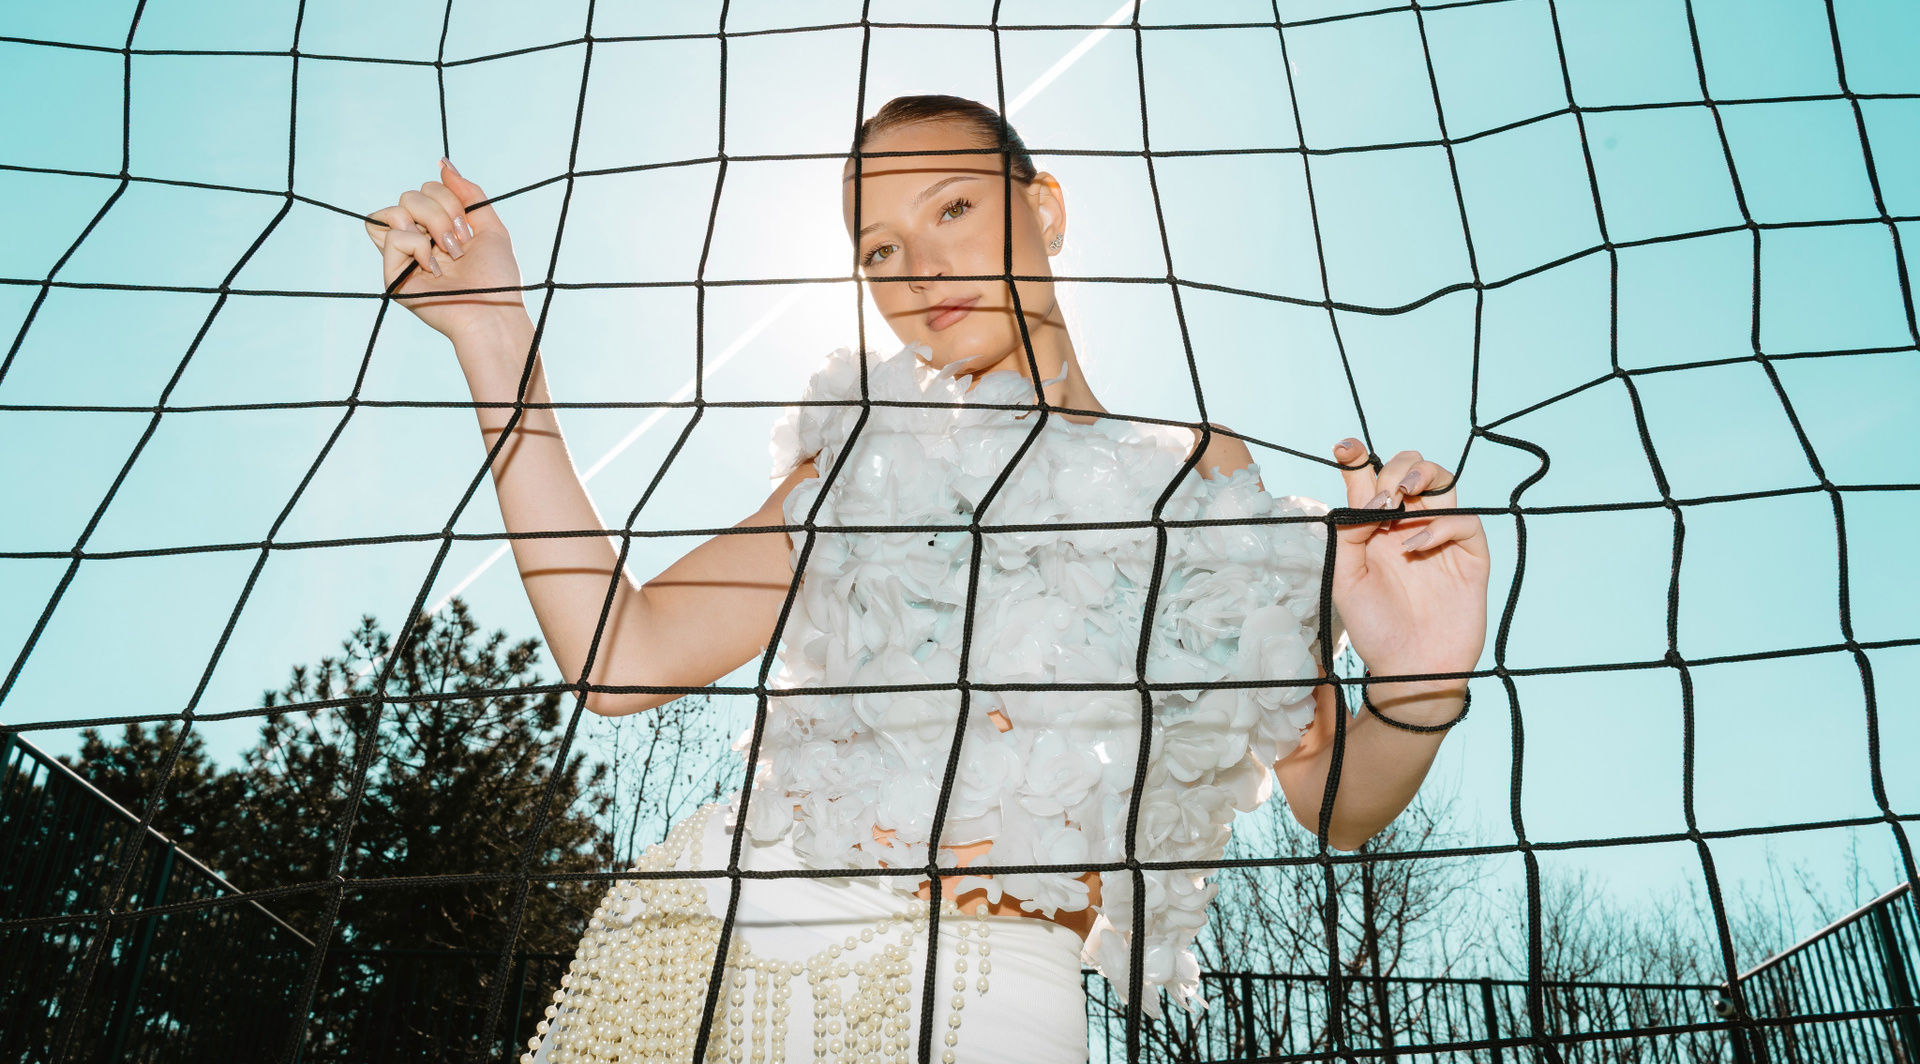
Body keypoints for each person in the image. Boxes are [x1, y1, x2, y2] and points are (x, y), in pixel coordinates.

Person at [366, 95, 1489, 1064]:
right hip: (720, 955)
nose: (921, 268)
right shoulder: (863, 451)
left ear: (1045, 208)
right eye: (880, 250)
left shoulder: (1203, 478)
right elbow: (621, 656)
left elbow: (1332, 798)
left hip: (1001, 994)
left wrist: (1421, 681)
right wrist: (494, 339)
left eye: (953, 207)